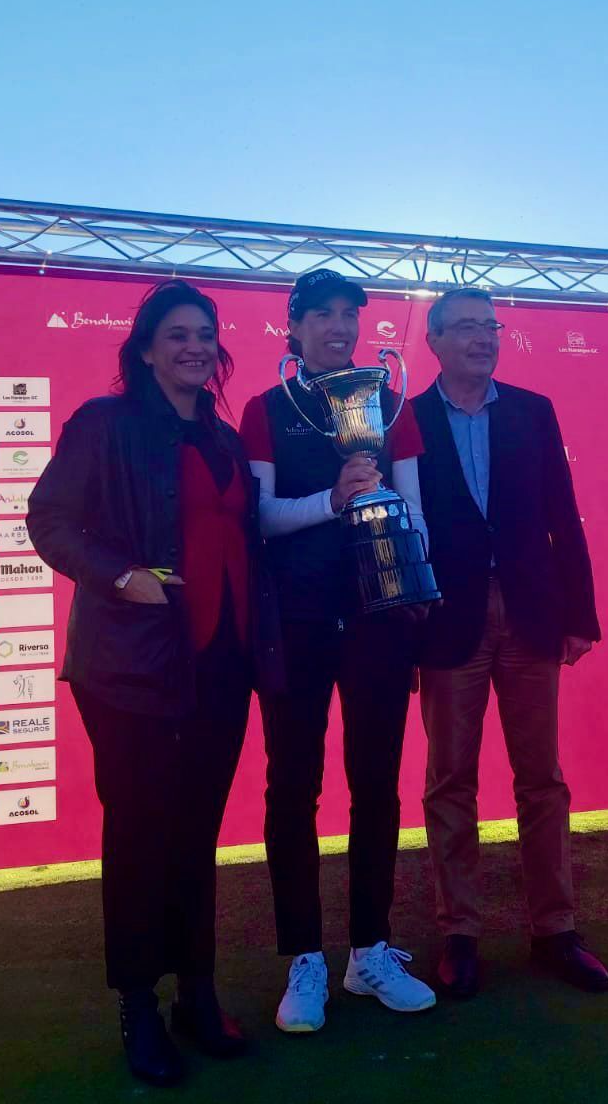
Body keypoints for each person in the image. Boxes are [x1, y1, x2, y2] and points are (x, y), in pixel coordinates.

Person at [28, 279, 280, 1088]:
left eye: (205, 333)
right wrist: (119, 575)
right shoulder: (103, 425)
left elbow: (247, 533)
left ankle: (196, 994)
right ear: (144, 348)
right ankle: (139, 1003)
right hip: (132, 667)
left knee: (195, 833)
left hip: (221, 663)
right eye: (177, 334)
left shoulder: (225, 436)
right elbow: (50, 520)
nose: (195, 346)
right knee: (140, 835)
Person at [238, 268, 438, 1032]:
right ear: (293, 328)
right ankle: (304, 960)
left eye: (348, 315)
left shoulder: (392, 406)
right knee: (292, 788)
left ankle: (369, 950)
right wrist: (334, 499)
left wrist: (389, 520)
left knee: (377, 787)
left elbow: (417, 514)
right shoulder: (267, 411)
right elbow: (257, 518)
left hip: (379, 621)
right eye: (320, 315)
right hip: (296, 622)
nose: (336, 327)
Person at [411, 285, 608, 999]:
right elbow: (401, 533)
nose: (483, 339)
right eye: (465, 327)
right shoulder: (407, 420)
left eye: (490, 327)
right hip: (446, 621)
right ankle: (459, 934)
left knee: (543, 780)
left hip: (531, 614)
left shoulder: (532, 411)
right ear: (432, 340)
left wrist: (580, 614)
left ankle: (555, 929)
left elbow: (566, 515)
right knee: (450, 783)